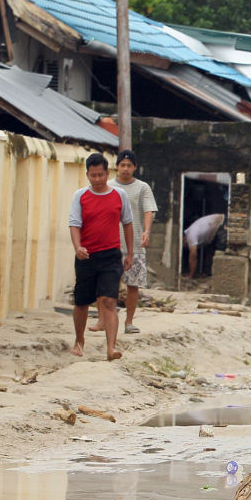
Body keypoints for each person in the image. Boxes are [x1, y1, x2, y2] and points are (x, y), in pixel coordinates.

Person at [68, 153, 133, 360]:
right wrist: (78, 248)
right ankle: (79, 341)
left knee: (109, 301)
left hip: (111, 255)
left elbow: (128, 223)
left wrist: (130, 252)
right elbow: (74, 224)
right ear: (87, 174)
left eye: (101, 175)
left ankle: (111, 348)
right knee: (81, 301)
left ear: (107, 173)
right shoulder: (80, 196)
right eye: (93, 175)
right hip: (86, 256)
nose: (97, 179)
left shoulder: (119, 195)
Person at [105, 150, 157, 334]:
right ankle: (105, 320)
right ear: (117, 166)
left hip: (134, 245)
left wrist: (146, 231)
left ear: (134, 167)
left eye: (129, 165)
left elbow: (148, 210)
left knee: (132, 285)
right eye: (122, 165)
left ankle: (128, 321)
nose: (125, 169)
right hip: (109, 244)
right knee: (106, 284)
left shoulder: (143, 188)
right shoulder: (108, 186)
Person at [184, 213, 224, 279]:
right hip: (215, 229)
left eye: (185, 246)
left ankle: (220, 278)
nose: (187, 247)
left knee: (220, 254)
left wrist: (191, 275)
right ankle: (207, 273)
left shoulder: (190, 236)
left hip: (221, 224)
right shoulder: (191, 231)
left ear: (184, 239)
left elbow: (193, 256)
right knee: (209, 252)